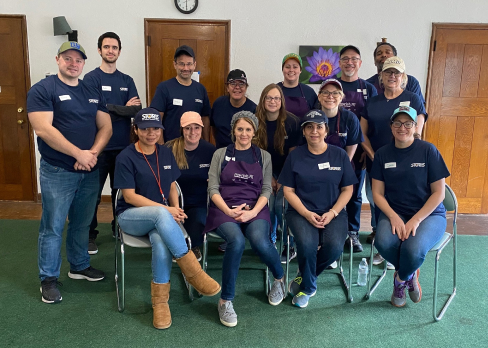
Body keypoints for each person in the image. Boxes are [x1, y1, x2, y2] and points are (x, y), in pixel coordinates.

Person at [114, 108, 221, 329]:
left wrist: (176, 208)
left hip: (159, 217)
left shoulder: (164, 152)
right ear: (136, 130)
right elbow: (129, 196)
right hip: (131, 216)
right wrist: (167, 210)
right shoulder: (125, 156)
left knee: (161, 243)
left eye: (155, 129)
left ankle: (160, 303)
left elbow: (172, 184)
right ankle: (193, 272)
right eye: (145, 129)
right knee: (161, 214)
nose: (151, 133)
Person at [27, 41, 112, 304]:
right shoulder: (43, 89)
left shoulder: (90, 89)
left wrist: (92, 154)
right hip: (58, 170)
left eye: (78, 60)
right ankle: (48, 279)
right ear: (57, 60)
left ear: (84, 63)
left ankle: (79, 266)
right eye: (68, 58)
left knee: (82, 223)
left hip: (89, 169)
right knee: (52, 227)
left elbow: (105, 126)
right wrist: (78, 154)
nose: (73, 64)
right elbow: (43, 129)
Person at [205, 111, 285, 327]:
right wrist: (229, 211)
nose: (244, 133)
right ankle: (226, 300)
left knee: (259, 240)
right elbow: (212, 188)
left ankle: (279, 278)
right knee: (236, 241)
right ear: (233, 130)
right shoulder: (220, 154)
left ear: (255, 131)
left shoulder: (263, 156)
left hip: (255, 208)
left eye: (248, 129)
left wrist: (252, 212)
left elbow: (267, 189)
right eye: (240, 129)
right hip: (223, 208)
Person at [371, 106, 449, 307]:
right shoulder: (382, 154)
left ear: (415, 127)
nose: (402, 127)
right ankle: (411, 272)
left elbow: (439, 193)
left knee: (412, 250)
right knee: (383, 242)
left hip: (429, 215)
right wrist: (394, 217)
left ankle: (401, 278)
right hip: (394, 212)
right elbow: (377, 194)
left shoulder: (428, 150)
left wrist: (416, 220)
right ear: (391, 126)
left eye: (408, 123)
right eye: (397, 122)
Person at [279, 109, 357, 308]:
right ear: (304, 132)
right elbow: (288, 191)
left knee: (334, 248)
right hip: (300, 212)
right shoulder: (295, 156)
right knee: (306, 245)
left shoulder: (339, 154)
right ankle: (308, 287)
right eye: (309, 127)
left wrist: (332, 213)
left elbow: (348, 190)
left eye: (319, 127)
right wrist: (306, 213)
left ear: (326, 130)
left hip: (334, 211)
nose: (314, 131)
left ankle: (305, 275)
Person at [361, 56, 427, 269]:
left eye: (396, 73)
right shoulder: (372, 101)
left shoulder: (413, 99)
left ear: (403, 77)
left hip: (405, 165)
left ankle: (404, 243)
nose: (392, 76)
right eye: (388, 72)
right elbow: (363, 133)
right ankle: (384, 248)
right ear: (381, 76)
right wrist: (373, 156)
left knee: (401, 201)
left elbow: (417, 130)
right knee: (377, 202)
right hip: (377, 163)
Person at [83, 32, 142, 254]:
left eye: (114, 47)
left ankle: (119, 228)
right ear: (99, 50)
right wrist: (121, 109)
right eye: (106, 47)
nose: (110, 51)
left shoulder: (127, 80)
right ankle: (90, 235)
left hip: (123, 148)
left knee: (122, 193)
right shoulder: (91, 79)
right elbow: (91, 109)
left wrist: (108, 108)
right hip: (97, 148)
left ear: (119, 51)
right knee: (93, 195)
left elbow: (136, 109)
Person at [337, 45, 377, 253]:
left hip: (359, 154)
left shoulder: (369, 89)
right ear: (340, 63)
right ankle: (333, 231)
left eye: (354, 59)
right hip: (332, 152)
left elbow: (372, 122)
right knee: (332, 193)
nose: (349, 62)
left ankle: (353, 233)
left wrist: (366, 153)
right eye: (345, 59)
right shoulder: (332, 85)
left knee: (354, 194)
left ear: (360, 63)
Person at [254, 83, 301, 261]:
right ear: (263, 100)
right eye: (269, 98)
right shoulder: (254, 121)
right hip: (262, 172)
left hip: (286, 173)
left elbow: (293, 155)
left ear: (281, 101)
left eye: (276, 98)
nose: (272, 101)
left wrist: (281, 179)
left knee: (281, 206)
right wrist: (269, 178)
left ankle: (290, 245)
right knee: (268, 204)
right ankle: (270, 241)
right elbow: (254, 154)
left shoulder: (292, 122)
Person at [165, 112, 216, 260]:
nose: (192, 132)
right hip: (173, 202)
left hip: (199, 203)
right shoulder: (170, 148)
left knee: (198, 222)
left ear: (202, 128)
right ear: (182, 129)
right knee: (171, 224)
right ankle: (178, 246)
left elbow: (218, 178)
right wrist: (173, 207)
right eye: (188, 128)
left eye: (196, 128)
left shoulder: (210, 150)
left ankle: (191, 247)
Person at [150, 45, 211, 143]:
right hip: (171, 146)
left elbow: (205, 118)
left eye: (189, 64)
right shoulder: (164, 88)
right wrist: (161, 148)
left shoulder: (200, 89)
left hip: (195, 147)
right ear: (175, 64)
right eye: (181, 64)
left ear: (194, 65)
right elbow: (157, 119)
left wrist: (206, 142)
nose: (186, 68)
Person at [210, 69, 257, 148]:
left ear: (246, 88)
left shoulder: (254, 110)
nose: (237, 87)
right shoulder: (218, 104)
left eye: (241, 84)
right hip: (221, 152)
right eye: (233, 83)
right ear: (227, 87)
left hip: (244, 154)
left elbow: (256, 137)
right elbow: (214, 128)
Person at [277, 53, 318, 121]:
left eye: (295, 67)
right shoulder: (274, 90)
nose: (291, 70)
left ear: (300, 70)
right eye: (287, 67)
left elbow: (316, 117)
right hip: (279, 131)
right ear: (282, 69)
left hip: (302, 131)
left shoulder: (309, 92)